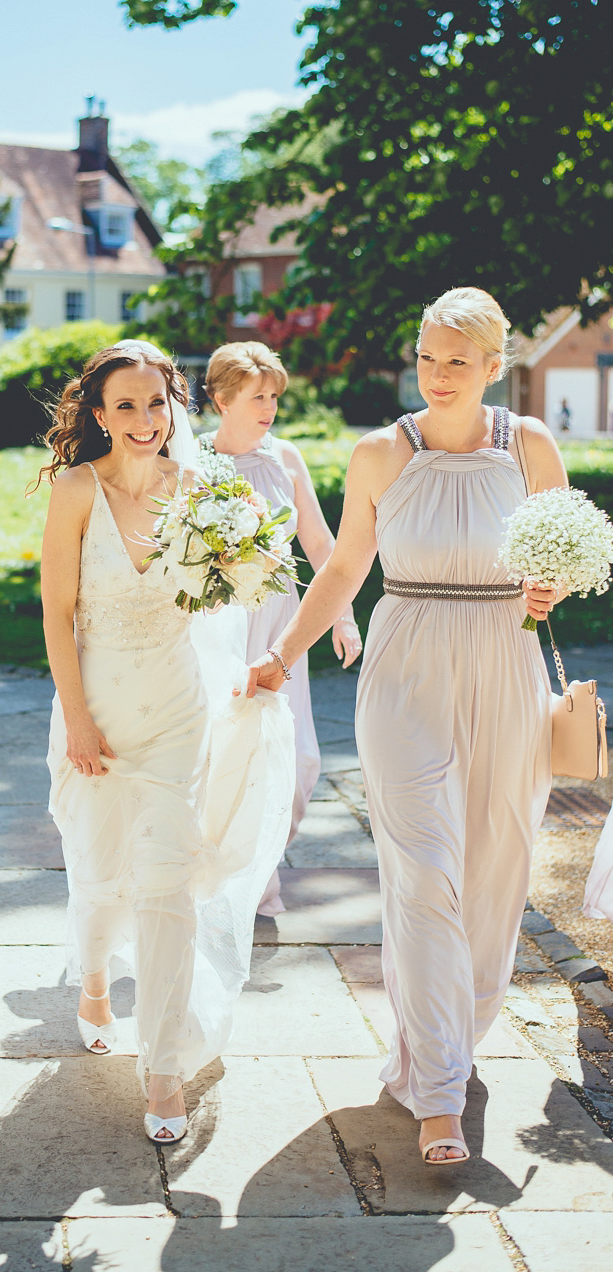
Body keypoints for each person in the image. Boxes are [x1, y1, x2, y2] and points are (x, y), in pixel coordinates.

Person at [245, 288, 565, 1164]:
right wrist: (281, 655)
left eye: (457, 361)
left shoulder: (530, 446)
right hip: (408, 662)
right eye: (427, 356)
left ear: (496, 366)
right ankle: (437, 1089)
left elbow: (561, 552)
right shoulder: (382, 451)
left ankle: (451, 1040)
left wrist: (553, 586)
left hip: (506, 662)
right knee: (422, 874)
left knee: (496, 868)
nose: (437, 375)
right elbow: (347, 563)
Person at [40, 340, 296, 1145]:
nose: (145, 421)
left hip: (180, 708)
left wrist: (245, 579)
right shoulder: (78, 491)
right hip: (100, 708)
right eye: (126, 406)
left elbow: (241, 585)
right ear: (99, 414)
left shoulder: (203, 489)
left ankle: (163, 1066)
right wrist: (77, 717)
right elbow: (55, 614)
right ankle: (90, 982)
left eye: (156, 403)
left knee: (166, 879)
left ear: (174, 404)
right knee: (98, 862)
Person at [201, 341, 362, 914]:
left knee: (298, 762)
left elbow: (320, 543)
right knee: (226, 758)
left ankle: (259, 865)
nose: (269, 407)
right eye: (256, 396)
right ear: (220, 399)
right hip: (218, 624)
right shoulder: (191, 463)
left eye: (274, 396)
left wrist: (341, 616)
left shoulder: (286, 457)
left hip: (284, 625)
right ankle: (229, 887)